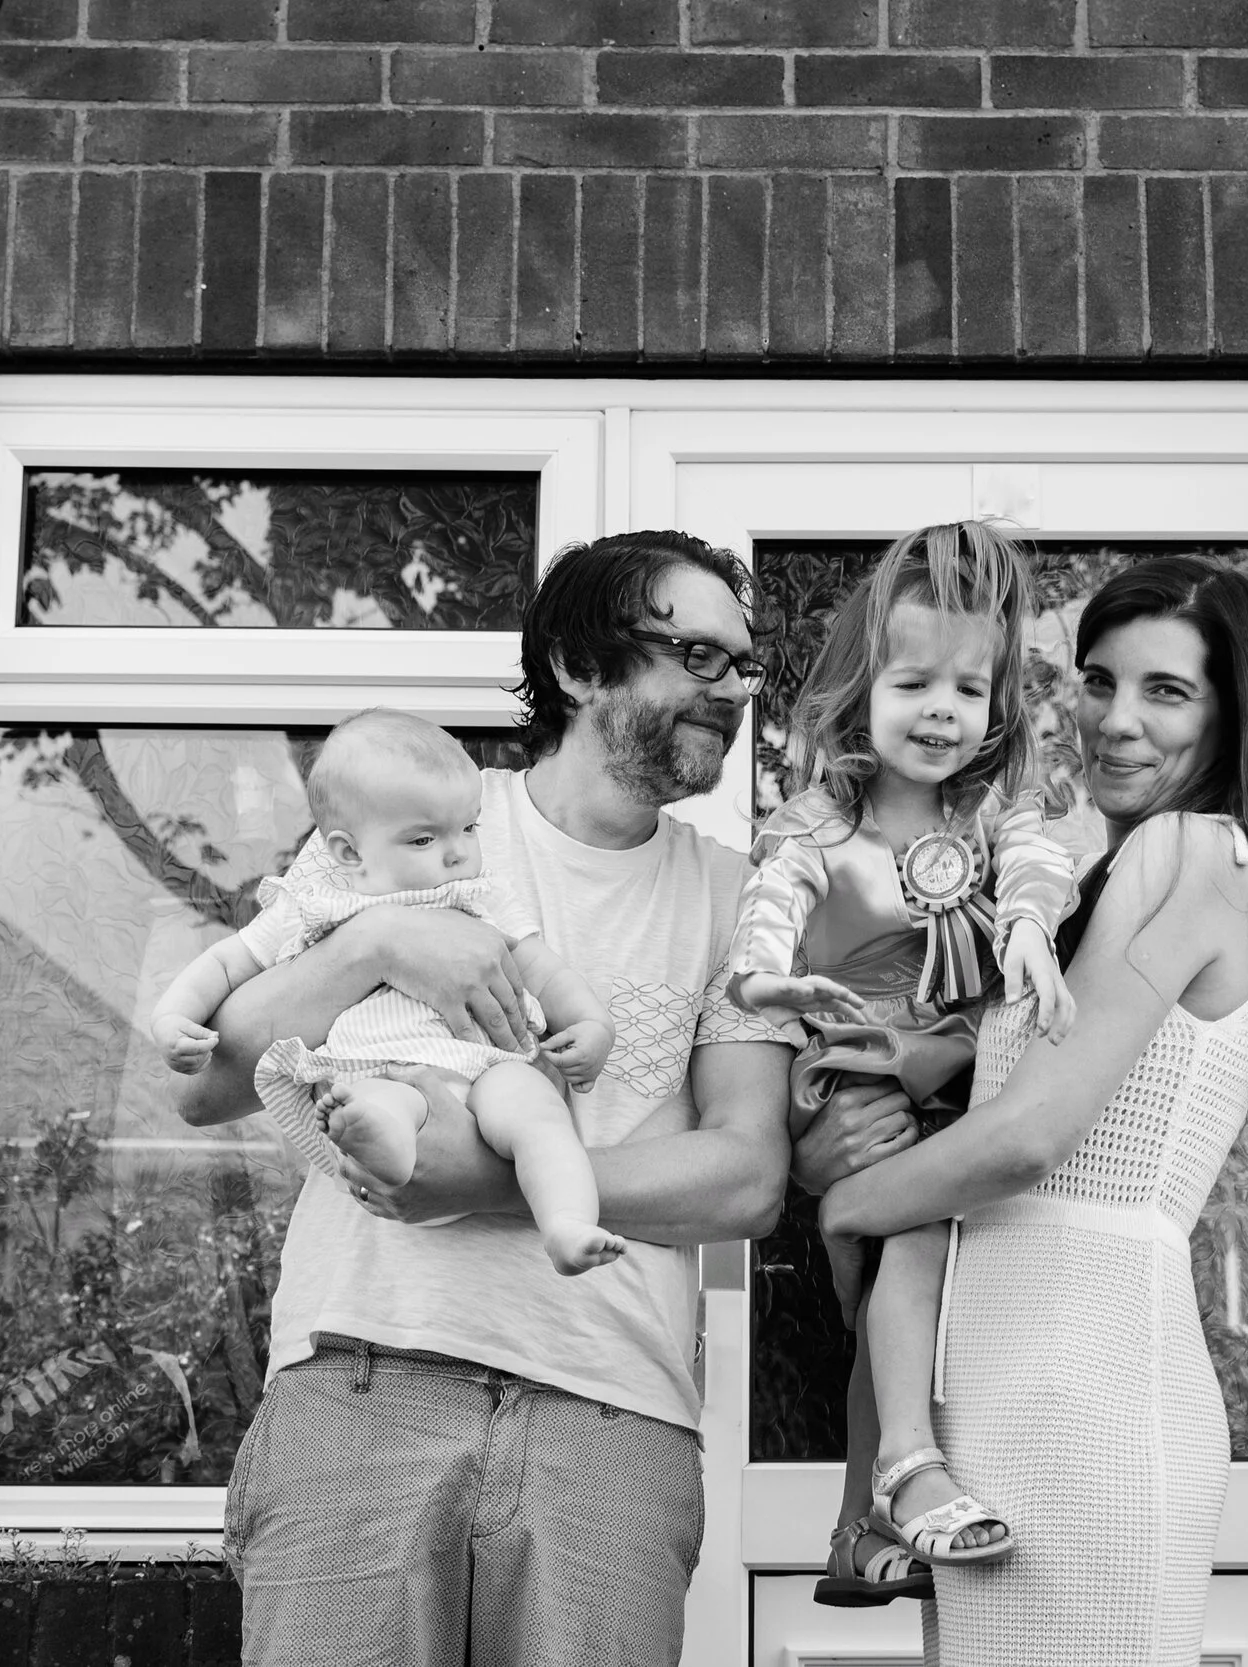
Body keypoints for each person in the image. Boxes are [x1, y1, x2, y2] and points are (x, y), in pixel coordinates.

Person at [174, 531, 798, 1667]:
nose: (733, 692)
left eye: (745, 667)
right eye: (699, 656)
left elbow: (748, 1174)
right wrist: (377, 939)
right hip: (361, 1377)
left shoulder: (737, 897)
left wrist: (491, 1181)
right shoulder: (419, 817)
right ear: (576, 662)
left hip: (614, 1415)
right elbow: (212, 1083)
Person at [815, 555, 1248, 1665]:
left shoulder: (1192, 852)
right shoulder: (1114, 872)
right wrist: (927, 1049)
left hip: (1083, 1387)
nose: (1116, 721)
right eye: (1096, 681)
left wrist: (848, 1199)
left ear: (1233, 712)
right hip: (1001, 1390)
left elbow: (1036, 1133)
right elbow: (1032, 1078)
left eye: (1165, 691)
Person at [724, 521, 1077, 1603]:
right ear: (858, 687)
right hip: (855, 1076)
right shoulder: (815, 825)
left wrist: (1024, 923)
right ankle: (910, 1471)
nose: (940, 709)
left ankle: (854, 1534)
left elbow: (1038, 860)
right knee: (910, 1236)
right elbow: (771, 901)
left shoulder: (991, 813)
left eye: (967, 690)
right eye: (913, 679)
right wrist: (760, 978)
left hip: (959, 1078)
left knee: (903, 1297)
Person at [147, 708, 624, 1275]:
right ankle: (388, 1148)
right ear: (349, 853)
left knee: (542, 1116)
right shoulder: (319, 904)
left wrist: (593, 1027)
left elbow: (543, 970)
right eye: (423, 838)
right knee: (380, 1102)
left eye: (468, 829)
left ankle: (567, 1224)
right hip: (388, 1068)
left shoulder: (481, 897)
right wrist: (174, 1017)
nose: (456, 853)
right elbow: (227, 962)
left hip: (488, 1069)